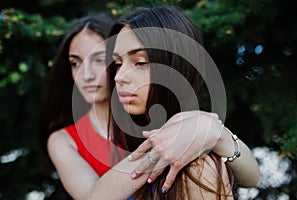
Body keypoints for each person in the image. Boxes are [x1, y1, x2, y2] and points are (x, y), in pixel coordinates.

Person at [40, 11, 259, 200]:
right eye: (75, 63)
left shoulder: (147, 112)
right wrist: (166, 145)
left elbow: (253, 178)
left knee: (202, 169)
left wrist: (216, 132)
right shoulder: (65, 138)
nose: (86, 75)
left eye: (99, 60)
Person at [107, 5, 234, 199]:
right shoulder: (128, 142)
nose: (119, 77)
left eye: (140, 63)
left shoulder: (198, 170)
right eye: (118, 64)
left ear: (175, 68)